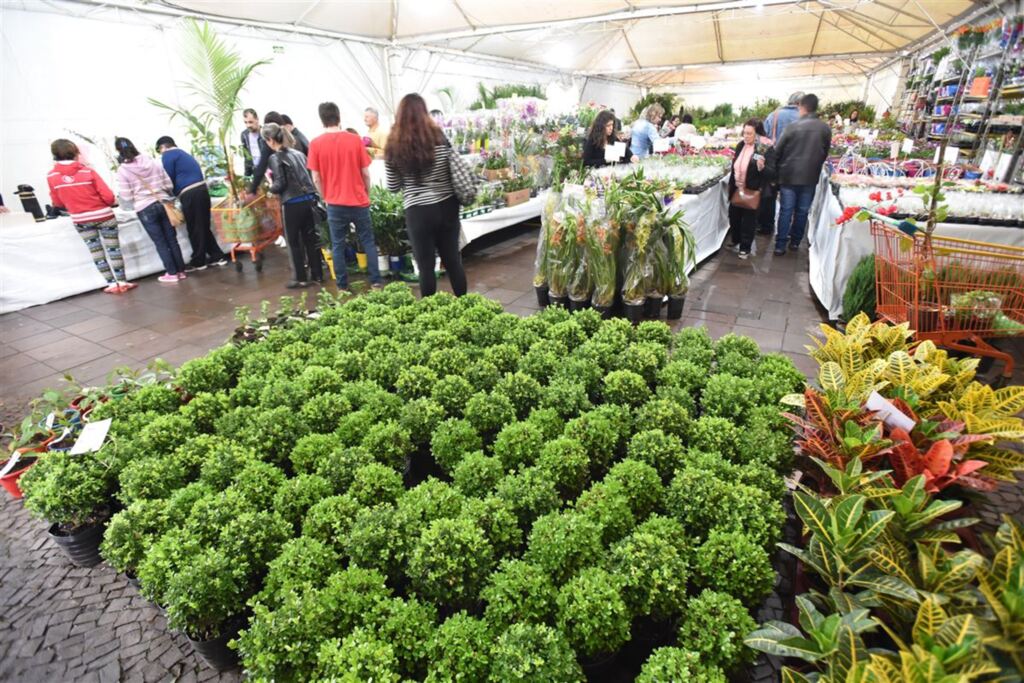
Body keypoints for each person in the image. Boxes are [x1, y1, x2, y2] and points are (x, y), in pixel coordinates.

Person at [384, 93, 468, 298]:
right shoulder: (439, 136)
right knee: (453, 261)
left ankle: (430, 314)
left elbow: (393, 186)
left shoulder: (394, 145)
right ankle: (465, 305)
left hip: (417, 210)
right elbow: (453, 170)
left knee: (426, 266)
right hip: (447, 205)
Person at [307, 101, 384, 291]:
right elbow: (366, 173)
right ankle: (375, 281)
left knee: (338, 244)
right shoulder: (354, 140)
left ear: (322, 119)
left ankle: (342, 286)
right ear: (339, 117)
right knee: (367, 240)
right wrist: (366, 193)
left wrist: (325, 196)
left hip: (334, 203)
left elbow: (316, 178)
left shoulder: (315, 144)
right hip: (358, 200)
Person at [46, 139, 135, 293]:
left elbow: (57, 202)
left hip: (81, 219)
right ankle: (122, 281)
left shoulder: (51, 176)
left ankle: (112, 284)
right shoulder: (88, 171)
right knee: (113, 249)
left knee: (96, 251)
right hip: (104, 216)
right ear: (75, 152)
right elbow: (108, 196)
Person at [114, 137, 186, 282]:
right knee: (172, 239)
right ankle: (181, 271)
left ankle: (171, 274)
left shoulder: (123, 170)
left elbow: (126, 196)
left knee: (160, 242)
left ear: (118, 151)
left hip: (144, 207)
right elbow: (168, 184)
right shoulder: (152, 161)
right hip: (163, 203)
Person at [261, 123, 322, 289]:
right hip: (309, 199)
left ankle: (300, 278)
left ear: (270, 140)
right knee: (311, 238)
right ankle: (317, 274)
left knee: (294, 241)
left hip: (292, 203)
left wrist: (269, 188)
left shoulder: (275, 158)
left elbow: (280, 183)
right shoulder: (298, 154)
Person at [156, 136, 227, 271]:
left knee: (194, 227)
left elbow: (168, 179)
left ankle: (199, 260)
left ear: (162, 147)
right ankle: (216, 255)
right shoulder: (183, 153)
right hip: (202, 189)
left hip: (190, 193)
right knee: (203, 225)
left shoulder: (168, 155)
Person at [773, 93, 832, 255]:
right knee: (802, 210)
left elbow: (777, 151)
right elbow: (824, 153)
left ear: (801, 106)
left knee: (786, 210)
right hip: (810, 176)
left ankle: (780, 245)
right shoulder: (824, 128)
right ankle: (795, 242)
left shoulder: (792, 127)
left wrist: (776, 172)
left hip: (789, 175)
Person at [727, 120, 776, 259]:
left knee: (749, 220)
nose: (746, 136)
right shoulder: (740, 145)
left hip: (753, 190)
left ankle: (745, 247)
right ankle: (736, 239)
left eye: (749, 133)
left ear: (757, 134)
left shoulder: (764, 148)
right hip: (737, 188)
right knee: (734, 217)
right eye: (744, 133)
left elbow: (772, 173)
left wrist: (762, 167)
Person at [240, 108, 272, 196]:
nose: (248, 125)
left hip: (268, 170)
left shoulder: (265, 133)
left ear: (257, 119)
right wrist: (246, 175)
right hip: (255, 170)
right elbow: (246, 156)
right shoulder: (244, 135)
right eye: (245, 122)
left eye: (250, 122)